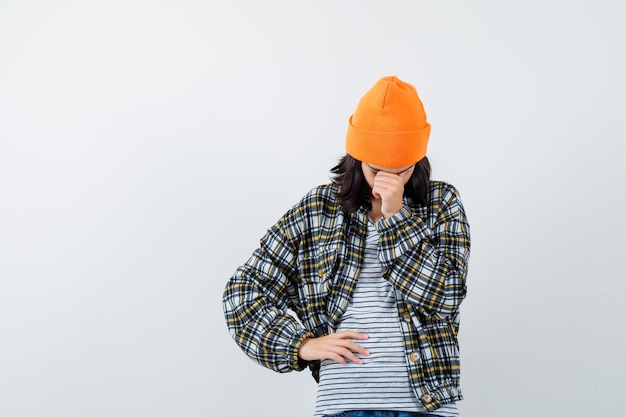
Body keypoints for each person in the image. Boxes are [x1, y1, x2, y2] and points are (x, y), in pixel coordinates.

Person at [223, 76, 471, 417]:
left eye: (402, 171)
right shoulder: (318, 209)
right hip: (345, 404)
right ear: (356, 157)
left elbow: (446, 296)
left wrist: (396, 216)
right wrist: (301, 345)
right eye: (377, 170)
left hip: (426, 405)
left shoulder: (441, 203)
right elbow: (243, 292)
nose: (389, 179)